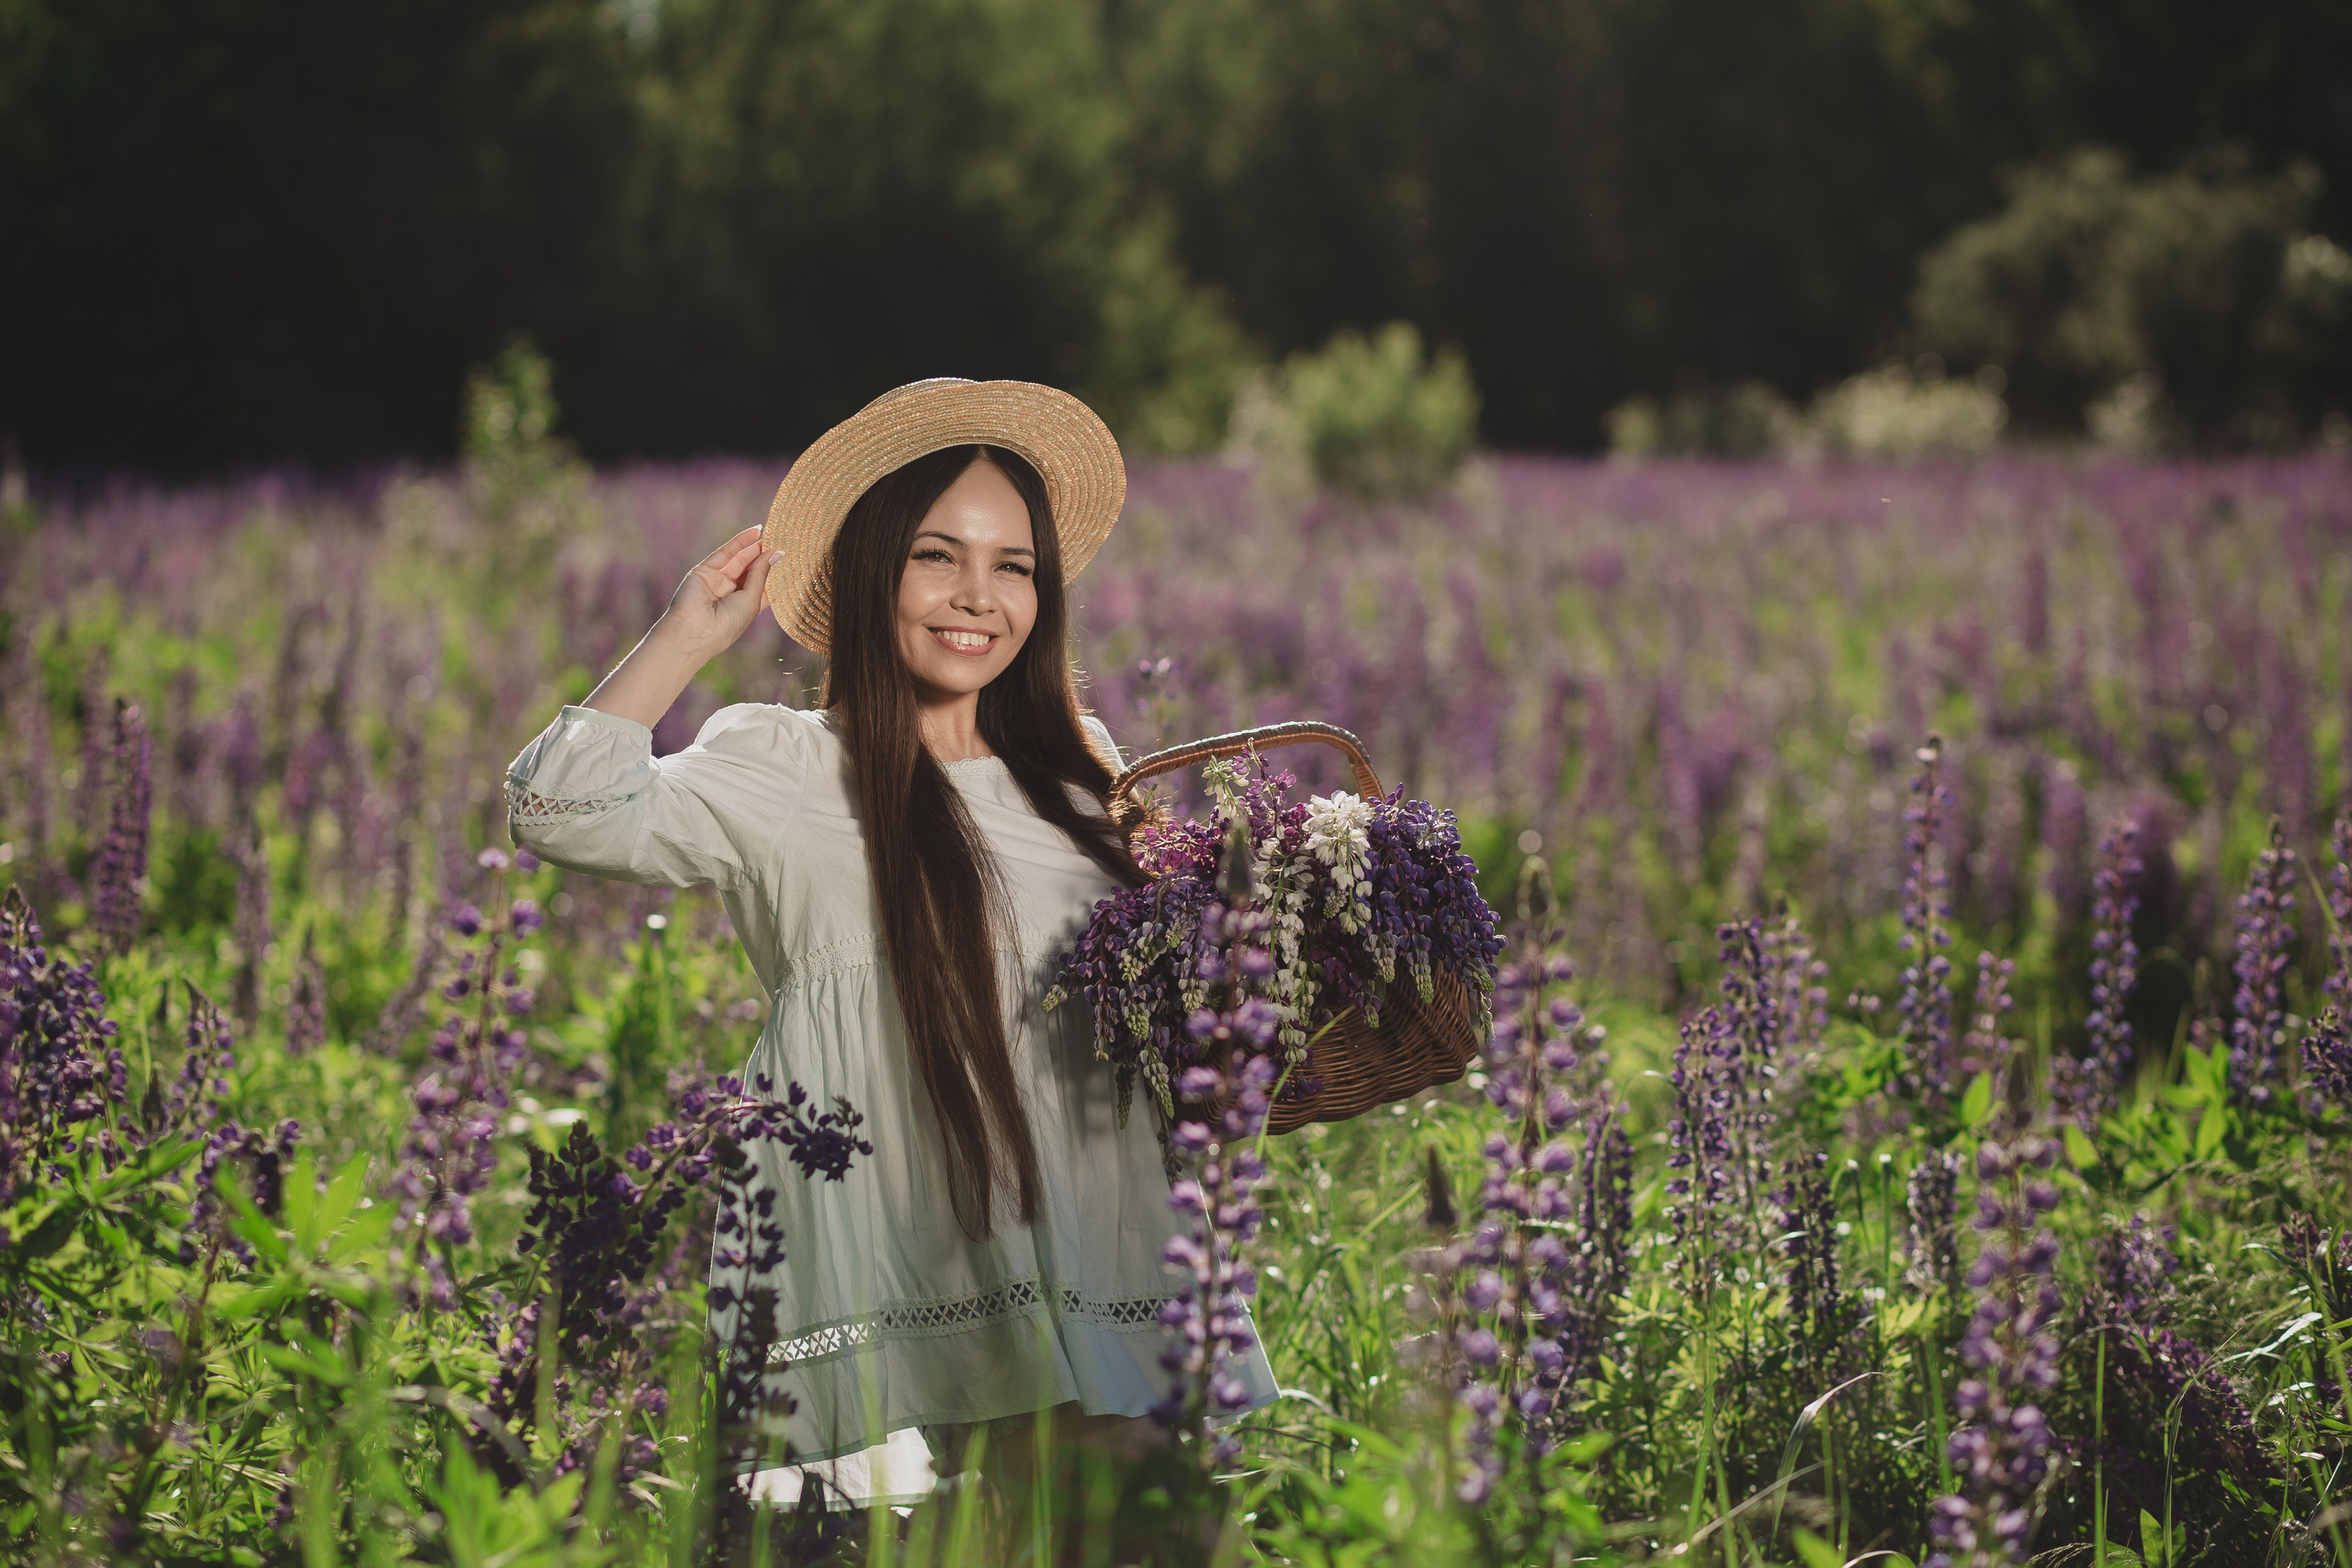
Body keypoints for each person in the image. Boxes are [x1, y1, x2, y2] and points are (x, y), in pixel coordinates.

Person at [503, 378, 1277, 1511]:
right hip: (908, 1230)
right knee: (1052, 1521)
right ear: (872, 574)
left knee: (1139, 1520)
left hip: (1088, 1219)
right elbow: (556, 812)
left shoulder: (1081, 763)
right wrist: (684, 638)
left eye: (1013, 564)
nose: (979, 597)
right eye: (936, 556)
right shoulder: (780, 763)